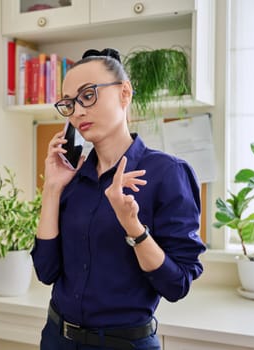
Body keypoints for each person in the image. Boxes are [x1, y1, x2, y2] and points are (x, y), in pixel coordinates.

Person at [31, 48, 206, 350]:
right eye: (69, 103)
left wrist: (133, 227)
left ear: (124, 93)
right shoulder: (73, 178)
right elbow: (46, 271)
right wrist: (52, 189)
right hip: (57, 338)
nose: (78, 112)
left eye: (88, 95)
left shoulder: (167, 173)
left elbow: (176, 285)